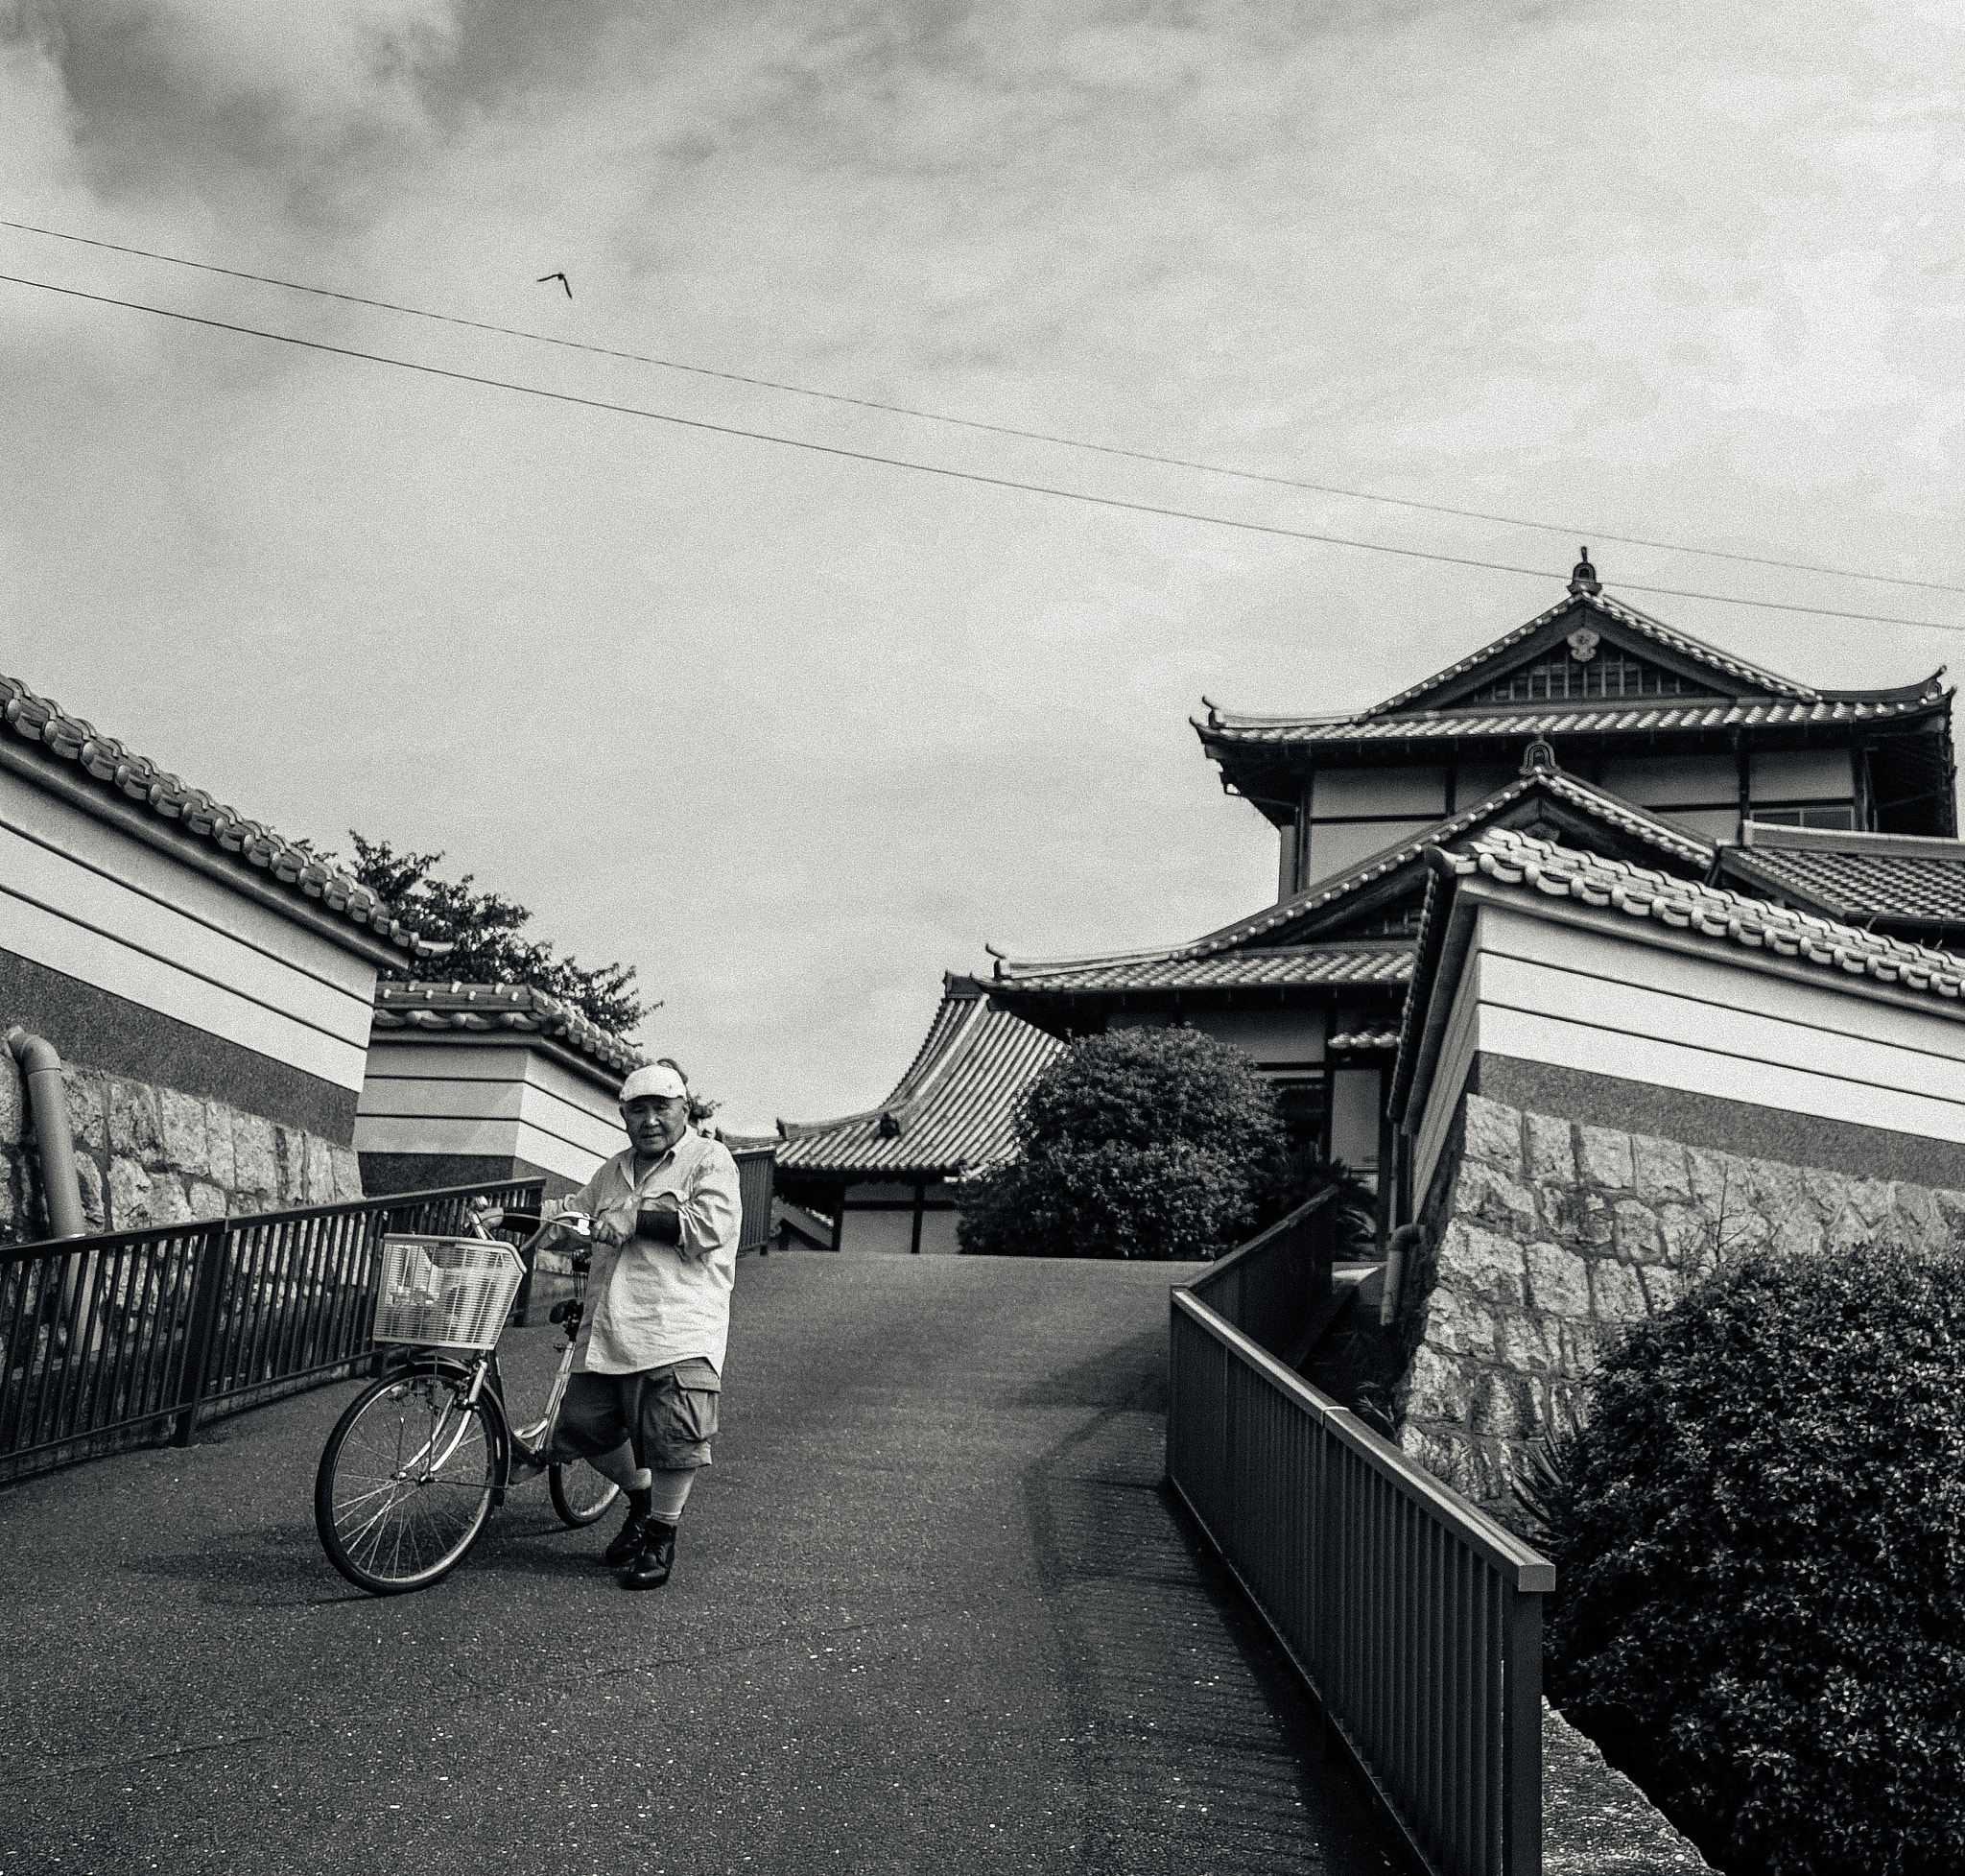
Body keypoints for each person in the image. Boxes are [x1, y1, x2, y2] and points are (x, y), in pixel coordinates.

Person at [531, 1059, 743, 1590]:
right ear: (623, 1115)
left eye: (661, 1108)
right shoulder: (612, 1170)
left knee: (674, 1439)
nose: (649, 1120)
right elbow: (577, 1216)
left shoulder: (709, 1160)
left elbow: (712, 1224)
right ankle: (644, 1500)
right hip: (609, 1327)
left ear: (684, 1111)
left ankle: (661, 1534)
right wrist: (524, 1219)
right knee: (580, 1428)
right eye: (637, 1110)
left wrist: (638, 1216)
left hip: (678, 1328)